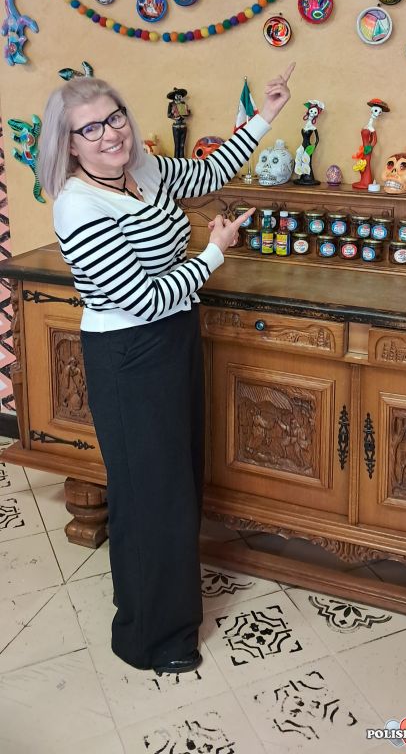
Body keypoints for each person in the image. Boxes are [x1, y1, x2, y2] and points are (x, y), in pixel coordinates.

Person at [37, 61, 295, 676]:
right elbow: (143, 298)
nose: (111, 134)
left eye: (115, 118)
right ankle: (150, 637)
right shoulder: (78, 205)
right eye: (91, 129)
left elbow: (211, 170)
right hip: (128, 354)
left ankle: (159, 608)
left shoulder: (143, 169)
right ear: (68, 144)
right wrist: (213, 253)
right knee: (152, 494)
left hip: (175, 336)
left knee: (172, 484)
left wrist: (266, 113)